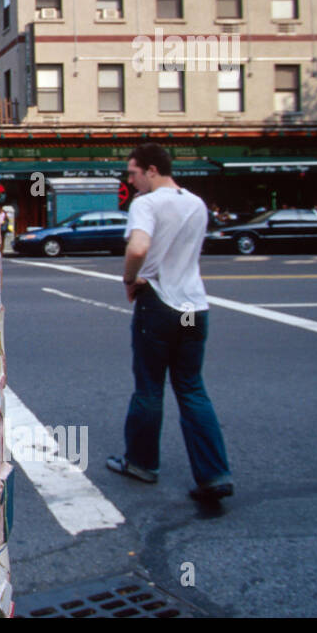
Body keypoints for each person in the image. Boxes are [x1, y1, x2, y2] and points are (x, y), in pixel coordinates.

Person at [107, 143, 233, 502]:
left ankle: (141, 463)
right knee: (192, 387)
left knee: (149, 388)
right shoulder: (196, 203)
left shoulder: (146, 204)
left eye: (132, 172)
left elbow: (139, 249)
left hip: (159, 303)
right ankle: (214, 474)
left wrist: (130, 279)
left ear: (151, 170)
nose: (129, 180)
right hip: (196, 305)